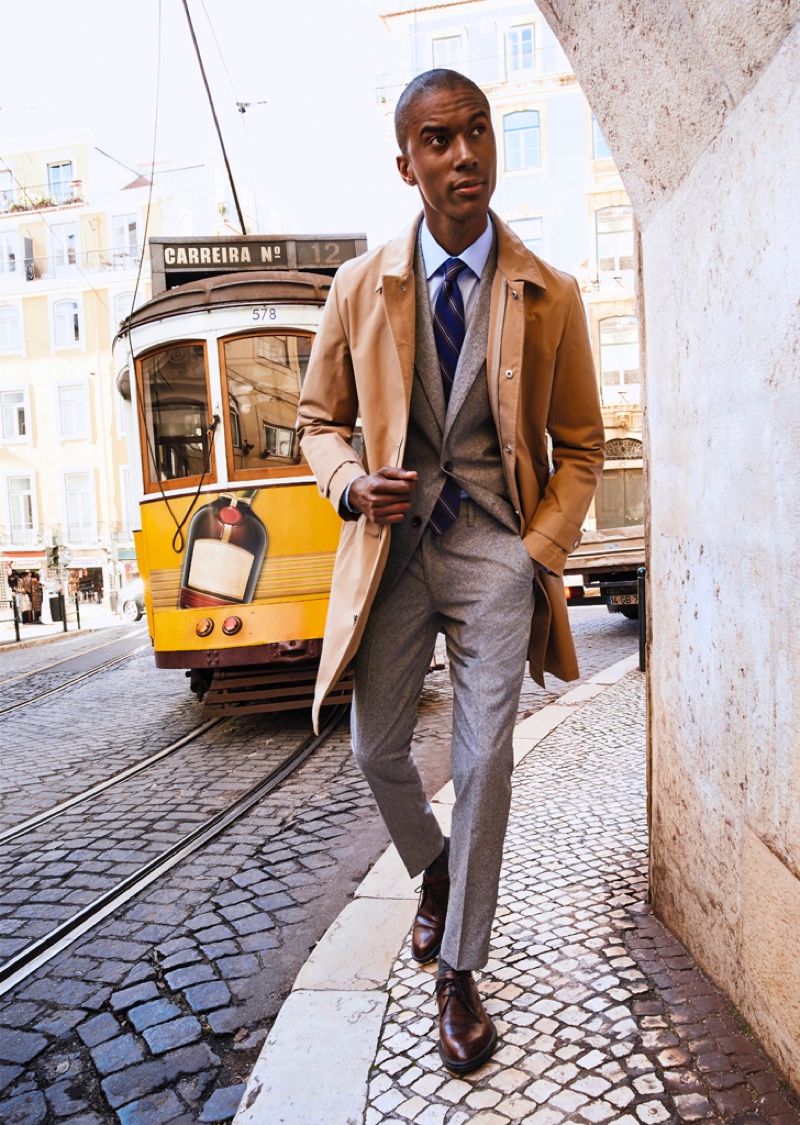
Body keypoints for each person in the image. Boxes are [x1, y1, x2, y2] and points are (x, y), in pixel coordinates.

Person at [297, 68, 604, 1073]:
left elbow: (583, 446)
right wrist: (348, 486)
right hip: (390, 551)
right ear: (406, 164)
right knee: (375, 749)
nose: (462, 154)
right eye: (438, 140)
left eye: (475, 133)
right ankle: (433, 873)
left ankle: (457, 971)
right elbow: (315, 422)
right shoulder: (358, 286)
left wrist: (531, 555)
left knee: (481, 763)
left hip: (490, 554)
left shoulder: (548, 293)